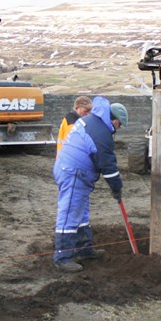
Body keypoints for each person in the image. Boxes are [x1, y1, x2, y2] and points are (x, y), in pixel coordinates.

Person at [52, 97, 128, 272]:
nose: (119, 128)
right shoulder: (101, 133)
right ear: (114, 119)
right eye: (120, 124)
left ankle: (83, 249)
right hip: (73, 173)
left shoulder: (91, 121)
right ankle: (63, 257)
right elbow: (108, 166)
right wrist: (117, 188)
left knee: (81, 212)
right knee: (70, 212)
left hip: (77, 173)